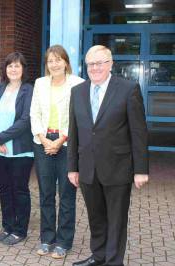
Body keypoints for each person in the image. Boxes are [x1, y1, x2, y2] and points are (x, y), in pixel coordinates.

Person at [68, 45, 149, 266]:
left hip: (118, 167)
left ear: (110, 63)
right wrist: (72, 167)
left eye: (100, 63)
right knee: (96, 218)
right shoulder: (78, 91)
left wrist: (141, 169)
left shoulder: (128, 89)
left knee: (116, 220)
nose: (95, 68)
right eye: (90, 64)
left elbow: (139, 132)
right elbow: (74, 132)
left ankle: (114, 261)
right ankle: (99, 256)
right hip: (88, 168)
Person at [30, 45, 84, 258]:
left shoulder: (78, 83)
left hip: (67, 143)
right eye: (50, 61)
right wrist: (44, 139)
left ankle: (63, 241)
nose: (54, 64)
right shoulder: (40, 83)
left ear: (66, 62)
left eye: (58, 60)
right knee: (46, 194)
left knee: (67, 195)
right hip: (42, 142)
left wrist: (61, 139)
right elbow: (34, 113)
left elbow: (78, 116)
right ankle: (47, 239)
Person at [0, 52, 34, 246]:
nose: (13, 69)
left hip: (20, 150)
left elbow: (25, 120)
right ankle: (7, 226)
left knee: (19, 189)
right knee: (4, 189)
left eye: (17, 66)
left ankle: (20, 229)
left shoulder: (29, 90)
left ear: (23, 69)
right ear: (5, 69)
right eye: (10, 66)